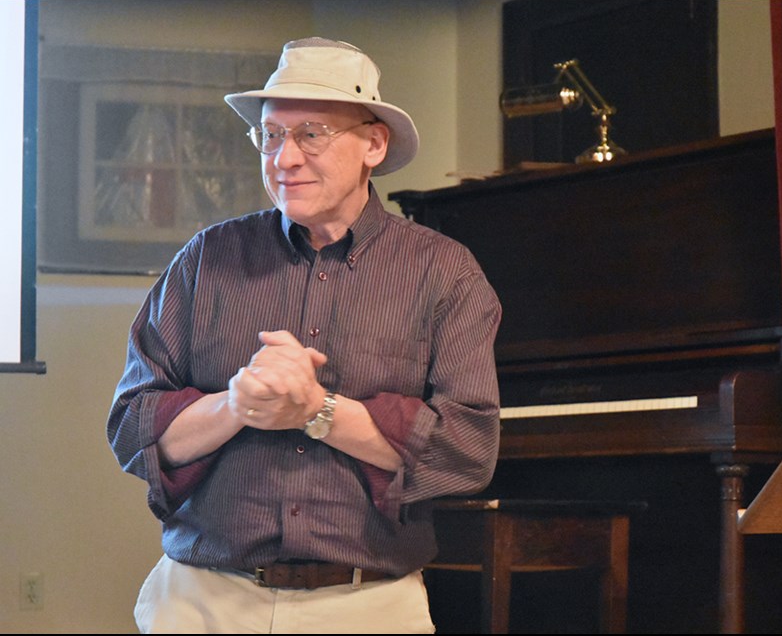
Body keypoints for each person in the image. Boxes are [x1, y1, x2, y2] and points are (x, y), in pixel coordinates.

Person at [106, 37, 502, 634]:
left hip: (368, 606)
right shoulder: (205, 260)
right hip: (204, 603)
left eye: (310, 133)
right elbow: (134, 430)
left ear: (374, 143)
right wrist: (238, 404)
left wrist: (318, 410)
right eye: (270, 135)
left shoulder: (444, 273)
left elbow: (467, 450)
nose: (283, 158)